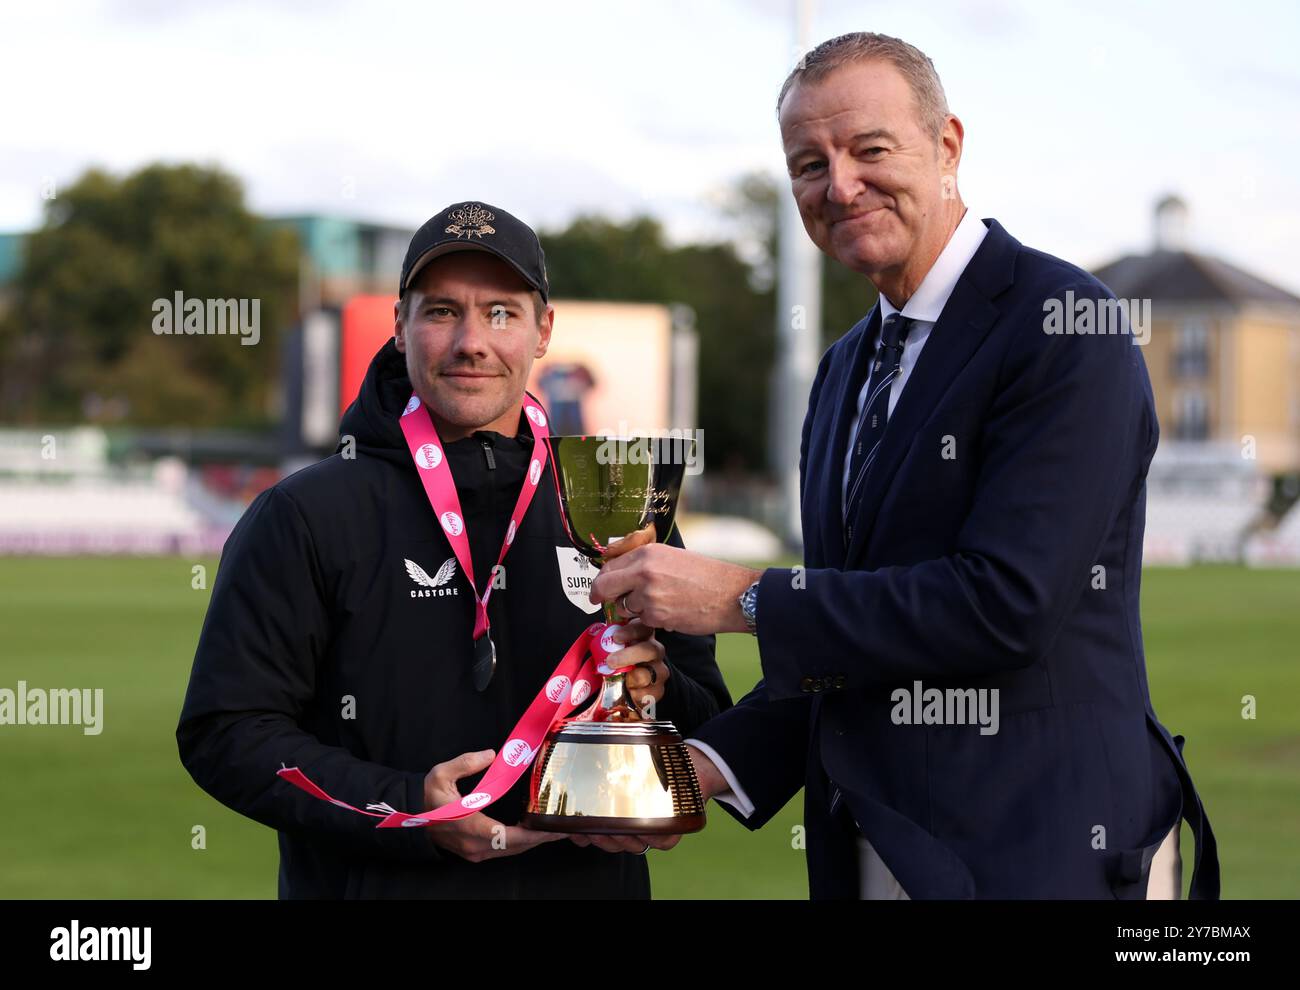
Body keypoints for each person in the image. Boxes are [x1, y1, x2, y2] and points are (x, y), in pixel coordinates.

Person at [590, 33, 1219, 900]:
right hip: (873, 856)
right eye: (809, 164)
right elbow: (850, 638)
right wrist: (690, 771)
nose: (839, 184)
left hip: (1041, 855)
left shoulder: (1068, 324)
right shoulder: (845, 366)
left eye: (869, 149)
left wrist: (742, 598)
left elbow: (1005, 604)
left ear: (948, 144)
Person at [177, 200, 729, 899]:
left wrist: (654, 696)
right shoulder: (305, 513)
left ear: (543, 331)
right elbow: (226, 733)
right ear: (400, 326)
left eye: (501, 312)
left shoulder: (616, 503)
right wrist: (409, 806)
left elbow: (710, 718)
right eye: (442, 311)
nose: (472, 340)